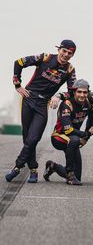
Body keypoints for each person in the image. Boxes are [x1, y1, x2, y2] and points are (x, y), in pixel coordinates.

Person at [5, 39, 77, 183]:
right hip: (28, 98)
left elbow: (73, 92)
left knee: (34, 138)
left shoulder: (70, 70)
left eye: (70, 53)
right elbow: (18, 62)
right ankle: (33, 170)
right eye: (64, 51)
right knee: (27, 138)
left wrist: (59, 96)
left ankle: (17, 167)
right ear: (59, 49)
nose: (66, 55)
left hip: (43, 104)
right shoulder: (45, 58)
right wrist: (17, 84)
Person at [43, 79, 93, 186]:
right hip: (59, 137)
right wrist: (86, 134)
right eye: (79, 92)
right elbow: (69, 130)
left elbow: (92, 118)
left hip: (73, 139)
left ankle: (53, 166)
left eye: (85, 92)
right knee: (74, 139)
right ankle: (69, 174)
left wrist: (86, 138)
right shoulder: (67, 104)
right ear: (74, 92)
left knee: (78, 177)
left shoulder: (88, 104)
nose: (82, 95)